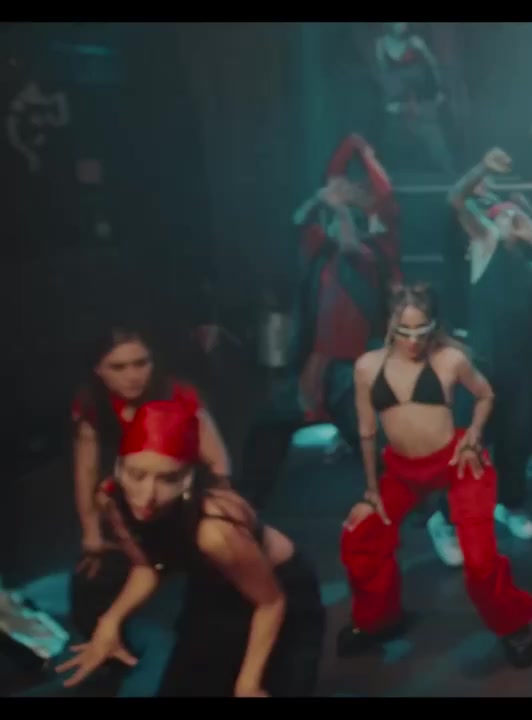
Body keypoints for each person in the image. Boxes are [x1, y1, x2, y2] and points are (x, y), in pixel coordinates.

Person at [59, 399, 325, 696]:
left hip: (278, 590)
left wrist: (248, 683)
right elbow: (150, 564)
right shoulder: (113, 499)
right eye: (136, 474)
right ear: (120, 468)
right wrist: (110, 622)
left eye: (167, 478)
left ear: (187, 478)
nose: (147, 495)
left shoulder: (214, 531)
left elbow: (271, 603)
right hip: (215, 582)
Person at [337, 284, 532, 667]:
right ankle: (378, 619)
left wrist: (474, 435)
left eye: (421, 330)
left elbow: (486, 394)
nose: (413, 341)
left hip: (456, 462)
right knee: (360, 536)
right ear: (390, 325)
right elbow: (367, 431)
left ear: (433, 326)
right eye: (405, 331)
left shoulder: (450, 359)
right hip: (402, 469)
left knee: (479, 563)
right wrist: (370, 491)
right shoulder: (367, 366)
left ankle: (513, 625)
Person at [240, 133, 400, 508]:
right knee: (269, 426)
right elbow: (305, 214)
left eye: (353, 196)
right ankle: (250, 500)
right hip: (317, 364)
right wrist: (330, 183)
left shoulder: (372, 254)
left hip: (353, 369)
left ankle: (414, 503)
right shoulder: (320, 252)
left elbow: (365, 221)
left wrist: (364, 154)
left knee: (372, 439)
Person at [69, 326, 232, 646]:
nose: (133, 375)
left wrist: (217, 516)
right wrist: (91, 532)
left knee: (208, 598)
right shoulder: (92, 403)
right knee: (90, 583)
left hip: (182, 498)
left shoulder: (179, 395)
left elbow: (218, 466)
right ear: (98, 369)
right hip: (132, 502)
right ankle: (108, 649)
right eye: (118, 367)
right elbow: (85, 470)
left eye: (140, 363)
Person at [447, 147, 532, 541]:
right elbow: (456, 198)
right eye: (505, 215)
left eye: (516, 214)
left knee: (518, 440)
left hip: (521, 367)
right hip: (484, 365)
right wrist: (482, 167)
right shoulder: (486, 244)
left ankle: (510, 505)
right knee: (469, 441)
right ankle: (446, 520)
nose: (513, 218)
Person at [373, 22, 455, 174]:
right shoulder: (381, 45)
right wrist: (390, 101)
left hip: (422, 104)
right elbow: (382, 75)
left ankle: (449, 174)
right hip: (397, 106)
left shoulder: (416, 43)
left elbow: (433, 67)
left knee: (437, 144)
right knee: (391, 147)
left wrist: (439, 90)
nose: (401, 25)